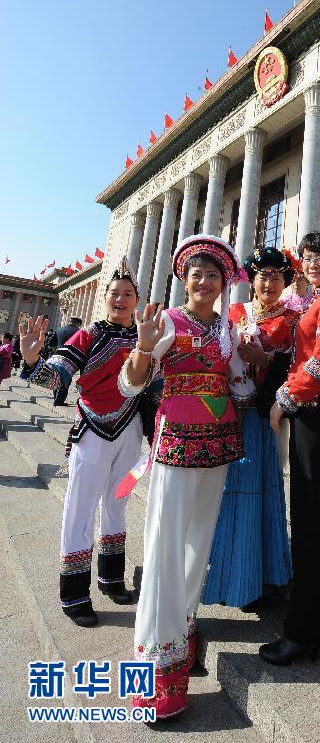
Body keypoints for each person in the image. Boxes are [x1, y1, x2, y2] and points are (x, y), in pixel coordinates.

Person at [118, 235, 255, 720]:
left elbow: (241, 383)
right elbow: (131, 382)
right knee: (163, 546)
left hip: (217, 444)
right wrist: (142, 348)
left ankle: (181, 635)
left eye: (213, 276)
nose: (204, 282)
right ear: (184, 279)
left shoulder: (227, 329)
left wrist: (255, 354)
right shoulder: (167, 323)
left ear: (223, 284)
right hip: (176, 442)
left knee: (198, 544)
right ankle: (154, 668)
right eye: (197, 274)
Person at [19, 259, 153, 627]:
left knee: (118, 503)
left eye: (128, 294)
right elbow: (57, 375)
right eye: (115, 294)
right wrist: (34, 360)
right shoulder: (88, 335)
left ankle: (111, 579)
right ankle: (74, 594)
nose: (121, 299)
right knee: (79, 509)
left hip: (130, 431)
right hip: (92, 430)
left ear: (137, 299)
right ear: (105, 299)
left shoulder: (145, 336)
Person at [262, 231, 320, 666]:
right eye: (309, 257)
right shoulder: (319, 298)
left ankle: (304, 631)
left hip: (318, 413)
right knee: (313, 517)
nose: (314, 263)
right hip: (312, 411)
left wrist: (285, 398)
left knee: (310, 518)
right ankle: (319, 624)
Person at [202, 245, 295, 608]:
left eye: (276, 276)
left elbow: (295, 367)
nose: (268, 282)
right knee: (226, 493)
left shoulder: (292, 319)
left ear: (285, 281)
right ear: (252, 281)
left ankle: (259, 573)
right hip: (227, 415)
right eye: (262, 275)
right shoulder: (233, 313)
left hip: (261, 418)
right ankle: (228, 571)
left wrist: (266, 359)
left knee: (258, 491)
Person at [46, 316, 83, 405]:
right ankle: (59, 401)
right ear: (78, 323)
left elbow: (50, 343)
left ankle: (56, 397)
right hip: (70, 360)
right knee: (66, 379)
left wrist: (56, 349)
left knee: (56, 377)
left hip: (56, 357)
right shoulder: (79, 332)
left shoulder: (59, 330)